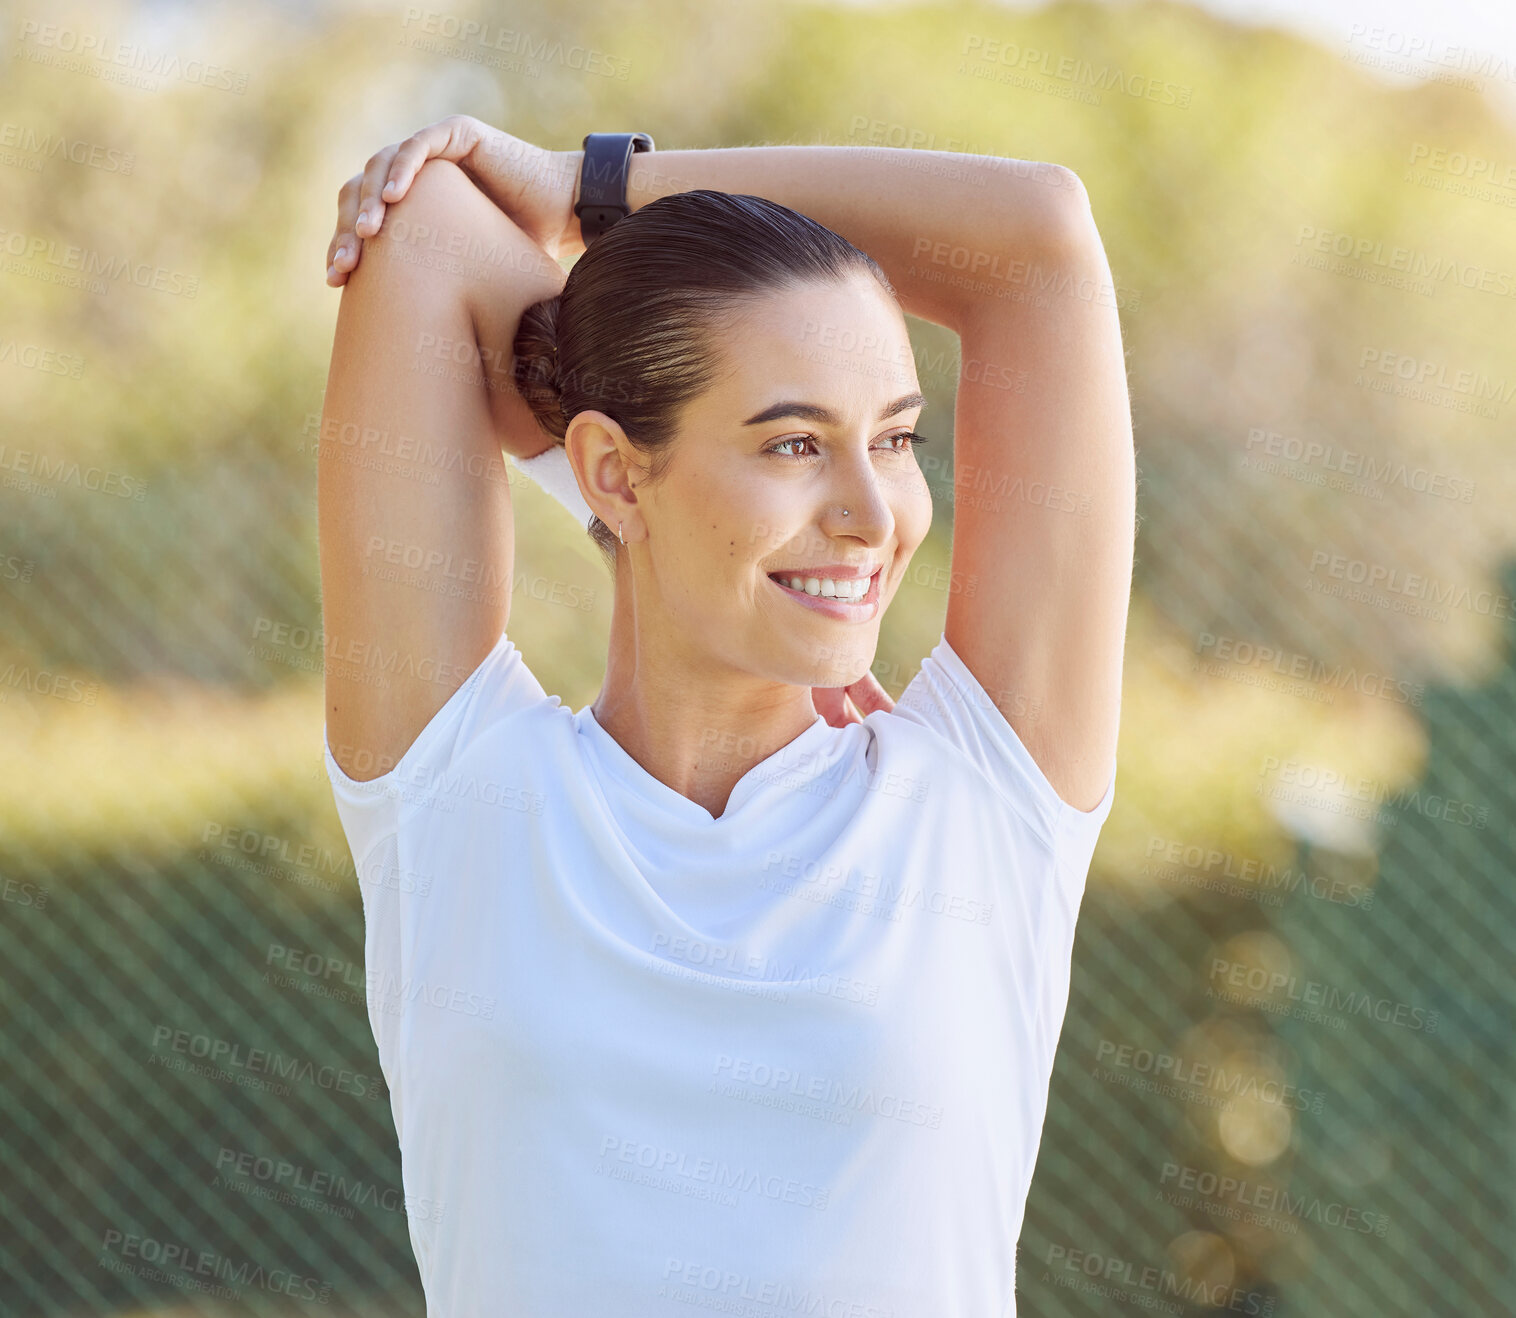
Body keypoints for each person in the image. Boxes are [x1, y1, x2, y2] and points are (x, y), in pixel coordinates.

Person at [317, 115, 1133, 1318]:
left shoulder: (985, 797)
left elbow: (1042, 236)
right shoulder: (461, 795)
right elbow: (430, 237)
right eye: (794, 441)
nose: (874, 513)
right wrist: (638, 483)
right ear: (609, 467)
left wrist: (590, 189)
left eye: (896, 439)